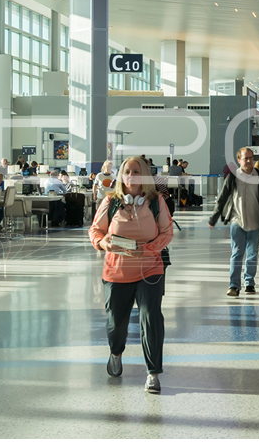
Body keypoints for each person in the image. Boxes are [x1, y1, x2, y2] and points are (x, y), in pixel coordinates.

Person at [88, 156, 174, 394]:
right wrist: (102, 242)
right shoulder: (111, 201)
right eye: (127, 170)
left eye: (137, 171)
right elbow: (95, 230)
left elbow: (167, 232)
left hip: (150, 268)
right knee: (116, 324)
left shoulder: (156, 202)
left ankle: (153, 373)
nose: (132, 174)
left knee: (151, 318)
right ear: (121, 175)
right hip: (117, 270)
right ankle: (116, 352)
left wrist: (149, 249)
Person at [209, 147, 259, 296]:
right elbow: (222, 197)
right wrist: (213, 218)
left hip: (255, 221)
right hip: (237, 220)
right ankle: (234, 285)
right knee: (237, 253)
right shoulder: (233, 177)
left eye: (251, 158)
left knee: (252, 254)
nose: (248, 161)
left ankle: (249, 283)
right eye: (245, 158)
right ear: (239, 160)